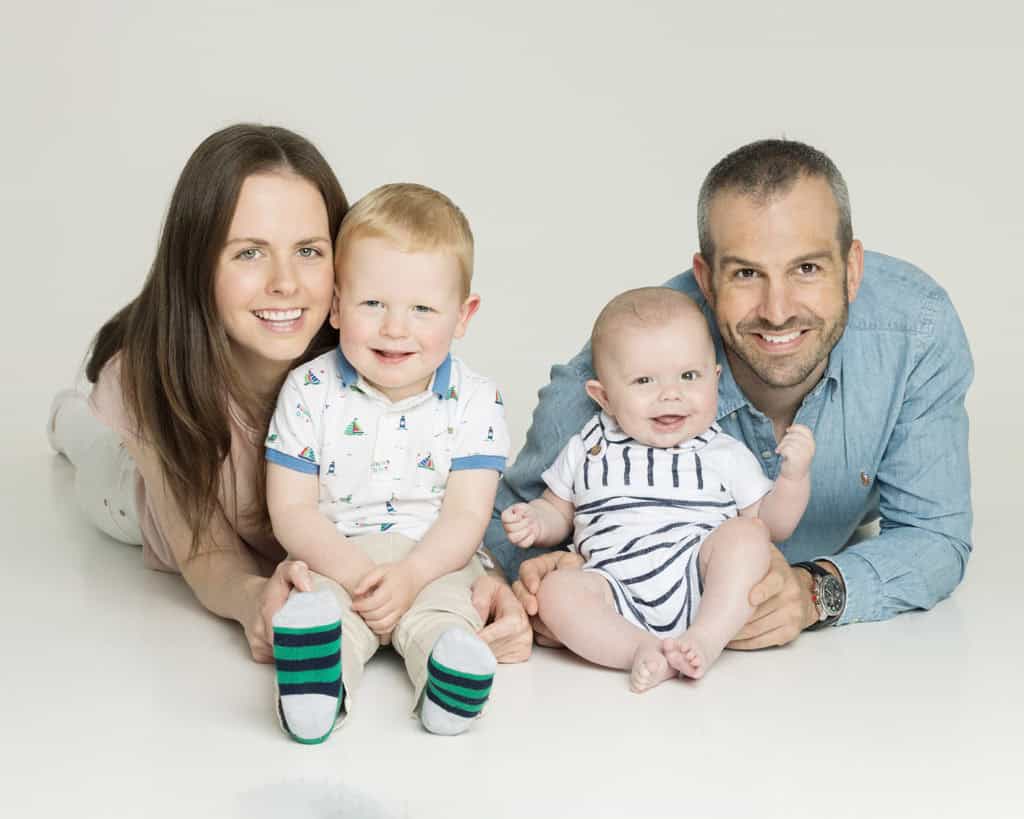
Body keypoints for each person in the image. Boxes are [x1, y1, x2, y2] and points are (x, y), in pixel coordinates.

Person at [46, 125, 531, 688]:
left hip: (334, 555)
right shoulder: (156, 382)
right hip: (145, 502)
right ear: (199, 265)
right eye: (249, 252)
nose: (285, 283)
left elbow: (439, 491)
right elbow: (206, 552)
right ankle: (68, 421)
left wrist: (484, 584)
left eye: (308, 251)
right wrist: (253, 599)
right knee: (97, 459)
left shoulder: (372, 345)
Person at [486, 138, 973, 650]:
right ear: (706, 279)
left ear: (851, 269)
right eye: (745, 273)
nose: (778, 310)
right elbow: (501, 528)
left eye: (807, 268)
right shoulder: (619, 373)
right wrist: (543, 570)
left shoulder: (916, 331)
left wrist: (815, 590)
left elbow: (935, 535)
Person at [264, 183, 508, 743]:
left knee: (447, 612)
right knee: (323, 608)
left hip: (436, 559)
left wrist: (412, 575)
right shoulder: (308, 389)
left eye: (423, 309)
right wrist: (355, 574)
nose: (395, 328)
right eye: (372, 304)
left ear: (463, 314)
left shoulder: (476, 399)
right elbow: (292, 510)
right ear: (336, 304)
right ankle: (314, 690)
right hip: (336, 549)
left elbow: (466, 517)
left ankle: (449, 680)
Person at [502, 288, 814, 691]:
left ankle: (706, 637)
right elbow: (558, 511)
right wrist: (535, 520)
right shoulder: (590, 445)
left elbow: (773, 525)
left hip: (701, 585)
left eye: (689, 376)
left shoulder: (721, 451)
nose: (671, 394)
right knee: (556, 591)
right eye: (644, 380)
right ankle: (639, 650)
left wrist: (792, 479)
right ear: (604, 397)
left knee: (748, 536)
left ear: (714, 380)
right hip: (609, 592)